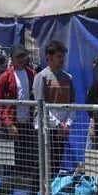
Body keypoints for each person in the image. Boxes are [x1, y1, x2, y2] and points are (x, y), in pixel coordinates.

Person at [0, 46, 38, 185]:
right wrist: (8, 124)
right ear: (12, 58)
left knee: (27, 162)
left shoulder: (32, 74)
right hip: (11, 126)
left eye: (23, 56)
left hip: (28, 125)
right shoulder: (5, 76)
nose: (21, 59)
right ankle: (7, 192)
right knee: (9, 163)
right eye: (18, 56)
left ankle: (24, 192)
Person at [34, 40, 75, 173]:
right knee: (44, 166)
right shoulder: (42, 77)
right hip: (46, 129)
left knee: (56, 165)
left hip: (62, 130)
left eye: (63, 56)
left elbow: (72, 104)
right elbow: (40, 106)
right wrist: (57, 125)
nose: (62, 60)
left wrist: (67, 124)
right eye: (59, 56)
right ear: (49, 58)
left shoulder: (68, 78)